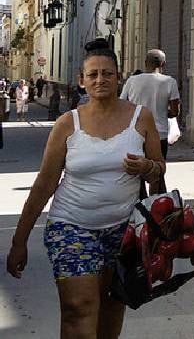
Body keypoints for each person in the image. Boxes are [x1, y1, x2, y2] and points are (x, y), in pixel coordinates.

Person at [5, 39, 164, 338]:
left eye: (107, 73)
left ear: (119, 78)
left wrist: (146, 167)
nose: (100, 79)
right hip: (72, 227)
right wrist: (19, 240)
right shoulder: (67, 124)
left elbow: (159, 168)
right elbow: (44, 185)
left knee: (113, 306)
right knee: (78, 308)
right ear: (81, 81)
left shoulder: (140, 118)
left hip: (124, 231)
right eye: (93, 74)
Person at [120, 50, 181, 195]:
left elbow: (122, 104)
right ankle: (157, 206)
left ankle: (141, 205)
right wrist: (162, 111)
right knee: (157, 172)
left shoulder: (132, 81)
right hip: (159, 135)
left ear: (145, 63)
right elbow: (175, 112)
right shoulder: (169, 82)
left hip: (136, 134)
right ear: (163, 64)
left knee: (137, 174)